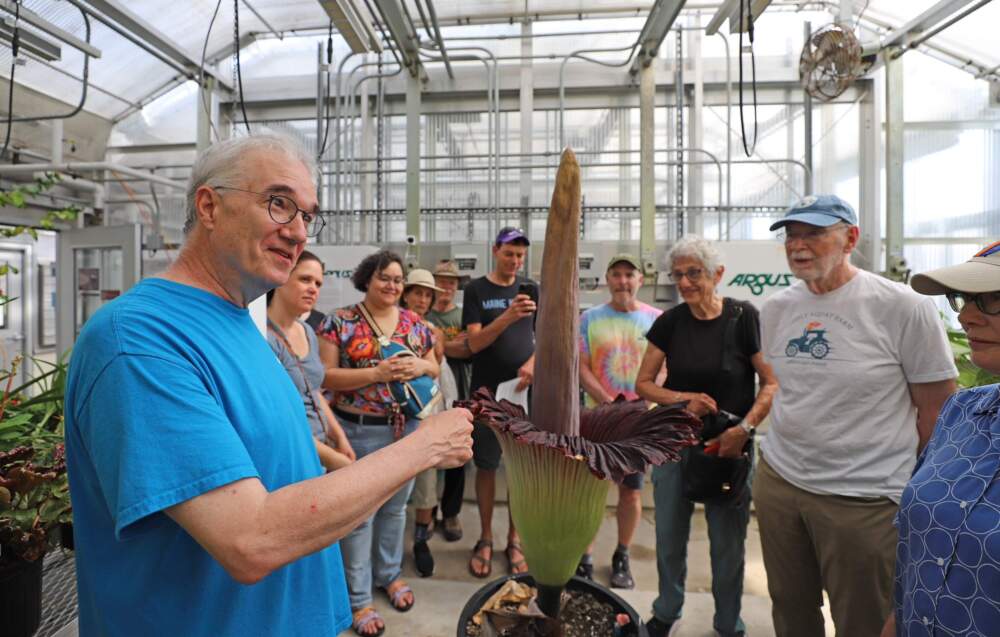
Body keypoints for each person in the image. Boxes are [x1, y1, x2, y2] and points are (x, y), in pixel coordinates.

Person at [63, 134, 473, 637]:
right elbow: (249, 538)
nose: (298, 231)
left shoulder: (238, 322)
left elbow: (287, 453)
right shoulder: (139, 340)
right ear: (209, 205)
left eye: (307, 215)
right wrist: (424, 447)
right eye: (279, 204)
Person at [756, 195, 957, 637]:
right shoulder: (776, 309)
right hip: (780, 483)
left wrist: (916, 493)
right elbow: (792, 389)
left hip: (862, 497)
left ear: (851, 238)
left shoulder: (902, 306)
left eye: (813, 233)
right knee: (789, 611)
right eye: (792, 235)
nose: (798, 245)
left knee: (863, 621)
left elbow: (938, 410)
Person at [635, 236, 778, 637]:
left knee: (728, 544)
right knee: (669, 536)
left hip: (727, 448)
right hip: (675, 446)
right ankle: (666, 610)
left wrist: (743, 430)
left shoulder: (743, 317)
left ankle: (728, 622)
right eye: (678, 274)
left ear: (717, 274)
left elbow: (770, 382)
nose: (684, 282)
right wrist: (683, 399)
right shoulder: (670, 323)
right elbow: (644, 384)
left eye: (693, 272)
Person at [318, 250, 441, 635]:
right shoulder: (341, 321)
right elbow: (327, 377)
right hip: (356, 431)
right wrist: (376, 373)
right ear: (367, 279)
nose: (392, 285)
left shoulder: (414, 323)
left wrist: (420, 365)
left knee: (395, 511)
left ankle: (388, 574)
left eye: (398, 280)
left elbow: (434, 365)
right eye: (384, 278)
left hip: (404, 431)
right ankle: (358, 599)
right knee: (358, 517)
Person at [881, 241, 1000, 637]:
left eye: (992, 299)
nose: (966, 316)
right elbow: (918, 554)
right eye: (963, 299)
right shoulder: (961, 412)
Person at [575, 253, 663, 589]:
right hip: (600, 421)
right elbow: (582, 366)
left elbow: (664, 367)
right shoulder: (590, 318)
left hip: (640, 424)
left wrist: (646, 403)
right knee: (592, 490)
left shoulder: (657, 319)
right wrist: (609, 403)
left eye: (630, 274)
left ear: (640, 280)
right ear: (606, 280)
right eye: (617, 274)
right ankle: (584, 556)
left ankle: (622, 555)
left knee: (631, 492)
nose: (623, 281)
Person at [463, 226, 536, 578]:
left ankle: (515, 539)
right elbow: (474, 344)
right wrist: (508, 315)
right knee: (488, 466)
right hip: (487, 394)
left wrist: (534, 364)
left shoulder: (533, 289)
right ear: (495, 250)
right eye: (509, 253)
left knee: (520, 470)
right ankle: (486, 537)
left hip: (522, 396)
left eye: (520, 254)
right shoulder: (476, 290)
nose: (515, 260)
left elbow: (546, 338)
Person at [266, 250, 355, 472]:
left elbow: (313, 390)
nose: (313, 288)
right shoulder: (263, 337)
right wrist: (331, 458)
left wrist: (340, 438)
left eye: (318, 283)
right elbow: (278, 417)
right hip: (290, 453)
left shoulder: (307, 331)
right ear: (281, 277)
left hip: (319, 449)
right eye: (305, 279)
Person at [398, 267, 457, 578]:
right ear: (405, 293)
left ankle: (421, 540)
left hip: (424, 410)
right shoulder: (389, 321)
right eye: (416, 292)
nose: (421, 299)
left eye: (427, 294)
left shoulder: (433, 330)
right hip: (391, 414)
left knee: (426, 480)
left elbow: (435, 368)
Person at [425, 259, 471, 542]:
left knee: (458, 453)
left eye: (451, 282)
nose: (446, 287)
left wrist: (440, 345)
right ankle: (426, 512)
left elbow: (470, 349)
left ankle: (451, 512)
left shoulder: (462, 316)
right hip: (428, 394)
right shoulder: (420, 312)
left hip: (459, 392)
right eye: (440, 281)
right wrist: (455, 346)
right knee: (427, 452)